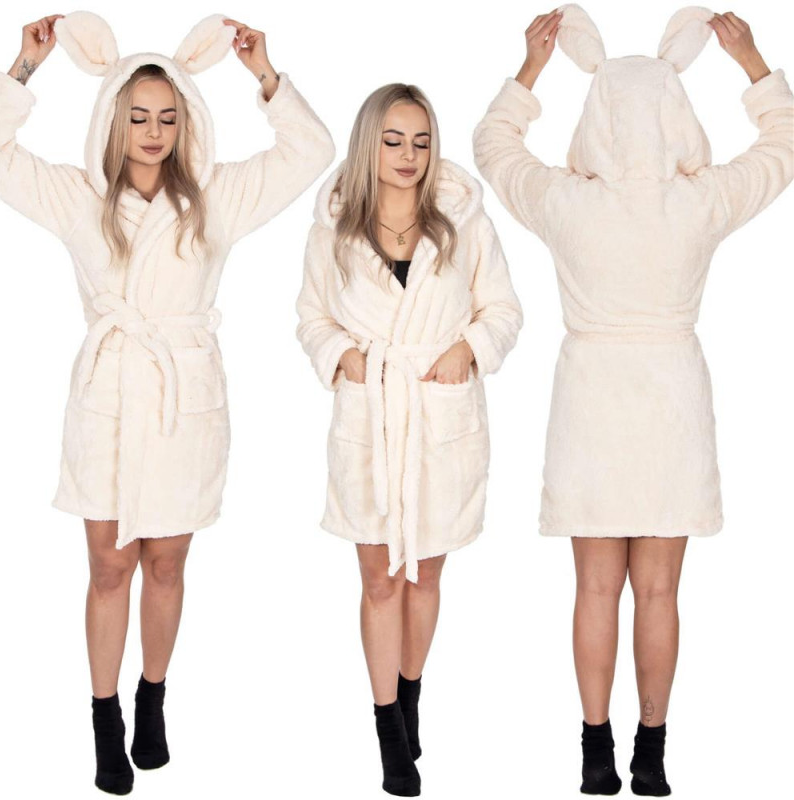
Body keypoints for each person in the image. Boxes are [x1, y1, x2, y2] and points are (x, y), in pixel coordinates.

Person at [0, 11, 334, 795]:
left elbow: (311, 153)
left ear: (188, 122)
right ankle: (104, 716)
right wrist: (24, 67)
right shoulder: (77, 196)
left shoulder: (217, 197)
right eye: (139, 117)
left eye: (168, 118)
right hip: (110, 396)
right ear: (114, 120)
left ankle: (153, 696)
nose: (153, 133)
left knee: (168, 563)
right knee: (109, 566)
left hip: (183, 401)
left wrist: (264, 75)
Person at [473, 5, 793, 797]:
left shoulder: (567, 201)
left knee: (592, 589)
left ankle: (595, 750)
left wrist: (532, 67)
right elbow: (783, 146)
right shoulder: (701, 200)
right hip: (671, 402)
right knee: (659, 591)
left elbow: (494, 146)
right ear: (675, 112)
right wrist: (753, 65)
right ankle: (651, 750)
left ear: (599, 114)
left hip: (590, 399)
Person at [295, 83, 522, 796]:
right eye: (393, 140)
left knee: (424, 576)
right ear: (370, 144)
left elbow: (504, 310)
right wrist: (344, 357)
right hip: (371, 419)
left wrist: (468, 350)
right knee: (378, 580)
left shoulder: (464, 223)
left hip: (438, 417)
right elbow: (311, 316)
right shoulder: (335, 229)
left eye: (421, 142)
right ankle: (388, 727)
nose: (408, 155)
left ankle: (412, 693)